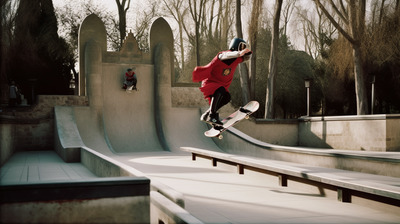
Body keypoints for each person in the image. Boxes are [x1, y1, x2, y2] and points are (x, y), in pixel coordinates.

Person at [192, 37, 252, 126]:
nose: (242, 49)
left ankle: (207, 114)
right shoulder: (222, 55)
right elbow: (229, 55)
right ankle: (212, 116)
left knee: (227, 97)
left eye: (243, 47)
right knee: (220, 90)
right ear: (235, 46)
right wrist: (239, 53)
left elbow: (246, 58)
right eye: (241, 47)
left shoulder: (237, 59)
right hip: (209, 82)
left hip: (220, 84)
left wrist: (248, 53)